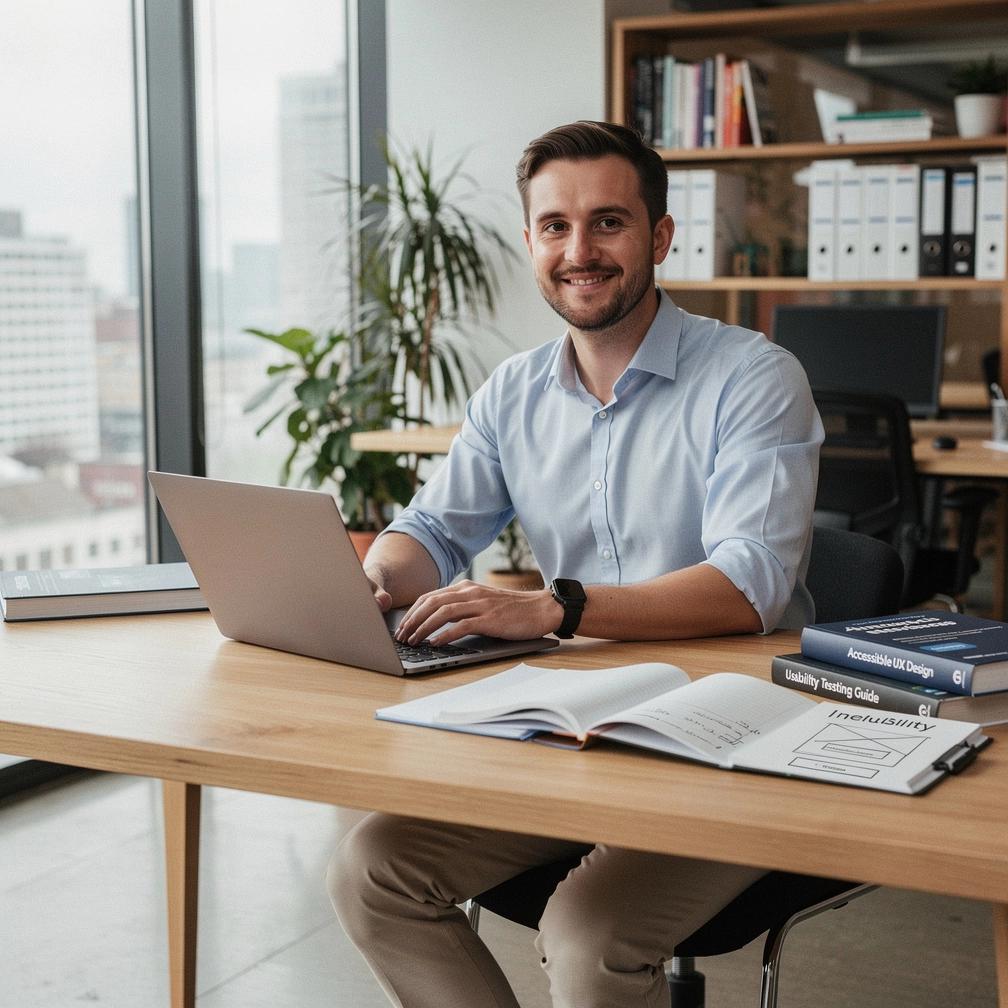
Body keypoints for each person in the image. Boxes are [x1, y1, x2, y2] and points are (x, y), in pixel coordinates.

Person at [328, 120, 824, 1008]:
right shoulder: (512, 391)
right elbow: (433, 527)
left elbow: (750, 582)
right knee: (371, 867)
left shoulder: (754, 377)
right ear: (530, 243)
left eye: (608, 222)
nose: (579, 250)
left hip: (731, 736)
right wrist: (380, 576)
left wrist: (556, 608)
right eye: (555, 226)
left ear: (661, 236)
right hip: (574, 728)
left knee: (587, 935)